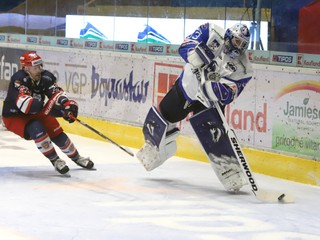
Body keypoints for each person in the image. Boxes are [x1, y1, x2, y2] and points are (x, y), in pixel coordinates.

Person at [137, 22, 253, 192]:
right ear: (228, 36)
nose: (238, 46)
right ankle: (154, 149)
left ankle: (230, 172)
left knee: (214, 136)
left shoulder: (244, 69)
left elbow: (230, 94)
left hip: (209, 102)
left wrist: (216, 89)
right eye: (236, 41)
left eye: (242, 44)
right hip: (187, 88)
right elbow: (185, 46)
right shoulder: (211, 31)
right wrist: (196, 56)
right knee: (164, 115)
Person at [1, 51, 94, 175]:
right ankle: (55, 160)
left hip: (37, 110)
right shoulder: (19, 79)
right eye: (36, 67)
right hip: (14, 116)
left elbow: (55, 93)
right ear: (26, 68)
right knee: (36, 128)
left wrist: (66, 105)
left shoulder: (46, 77)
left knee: (55, 130)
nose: (40, 69)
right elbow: (25, 105)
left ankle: (77, 157)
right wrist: (52, 109)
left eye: (40, 66)